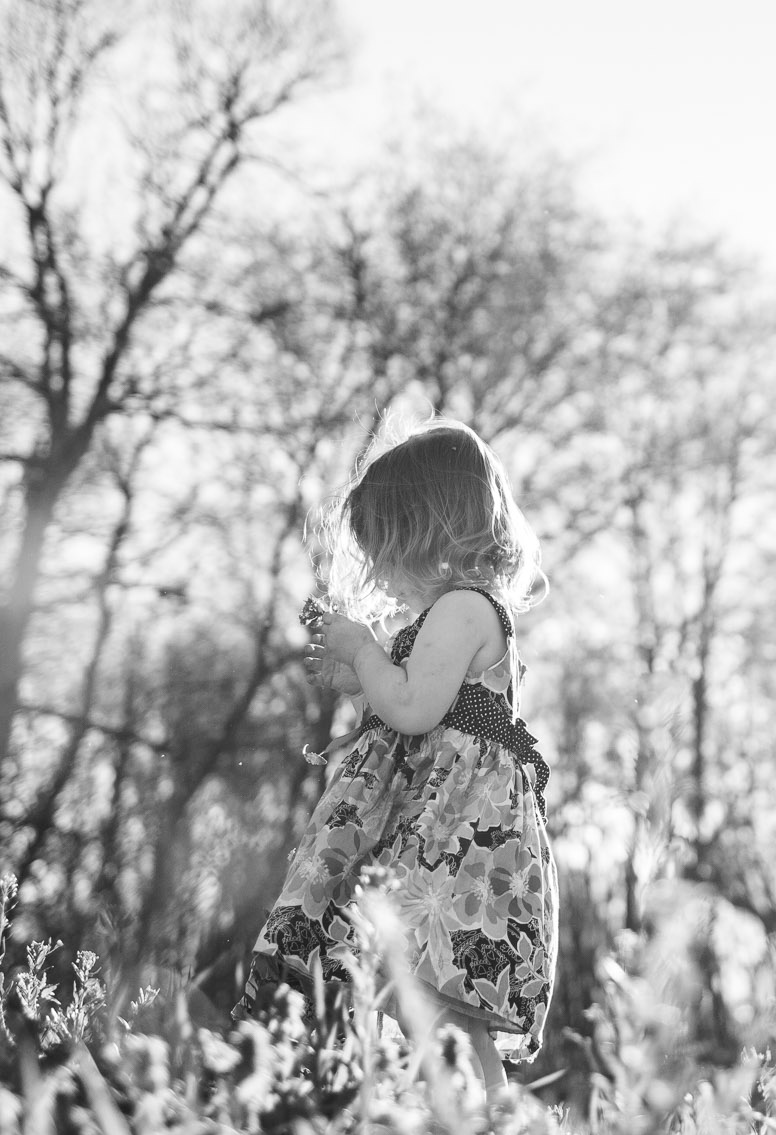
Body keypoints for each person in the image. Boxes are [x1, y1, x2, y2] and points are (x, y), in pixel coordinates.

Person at [235, 420, 556, 1087]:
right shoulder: (449, 616)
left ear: (423, 531)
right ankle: (456, 1127)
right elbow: (406, 712)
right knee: (416, 994)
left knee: (434, 998)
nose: (378, 568)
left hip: (456, 836)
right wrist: (362, 681)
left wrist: (363, 653)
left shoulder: (465, 609)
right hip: (435, 826)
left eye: (383, 546)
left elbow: (414, 708)